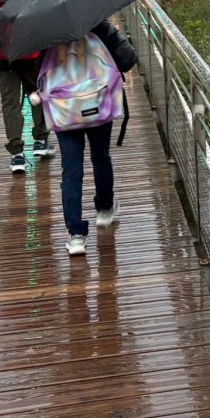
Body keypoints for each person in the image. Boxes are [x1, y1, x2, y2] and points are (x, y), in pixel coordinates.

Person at [37, 20, 135, 256]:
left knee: (71, 169)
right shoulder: (98, 24)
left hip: (64, 109)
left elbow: (36, 74)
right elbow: (128, 60)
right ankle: (104, 209)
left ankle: (77, 235)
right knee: (101, 156)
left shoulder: (43, 31)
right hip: (98, 101)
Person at [0, 2, 53, 173]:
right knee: (37, 94)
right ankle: (41, 139)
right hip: (30, 53)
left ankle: (17, 153)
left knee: (10, 103)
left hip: (2, 57)